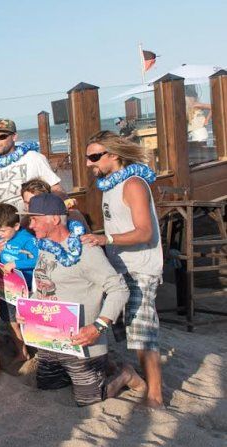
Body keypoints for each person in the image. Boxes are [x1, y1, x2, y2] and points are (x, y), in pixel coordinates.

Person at [22, 193, 144, 407]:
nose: (30, 225)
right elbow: (43, 283)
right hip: (51, 340)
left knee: (88, 399)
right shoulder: (45, 247)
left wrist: (98, 326)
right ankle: (104, 367)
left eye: (35, 219)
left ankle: (124, 374)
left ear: (54, 219)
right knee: (48, 386)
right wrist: (27, 310)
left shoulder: (86, 250)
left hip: (83, 342)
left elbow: (119, 289)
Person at [81, 131, 164, 408]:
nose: (89, 163)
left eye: (94, 157)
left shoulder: (133, 184)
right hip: (119, 266)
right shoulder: (109, 187)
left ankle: (155, 396)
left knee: (143, 334)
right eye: (87, 157)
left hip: (141, 268)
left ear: (113, 155)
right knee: (123, 330)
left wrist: (107, 239)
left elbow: (145, 232)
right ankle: (137, 381)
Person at [0, 204, 38, 361]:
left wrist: (16, 263)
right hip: (6, 288)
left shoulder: (28, 239)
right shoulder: (0, 236)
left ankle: (37, 350)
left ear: (16, 225)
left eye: (3, 230)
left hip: (25, 288)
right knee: (10, 320)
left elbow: (39, 260)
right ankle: (22, 352)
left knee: (27, 320)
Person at [0, 118, 64, 212]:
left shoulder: (33, 158)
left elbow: (55, 188)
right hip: (2, 222)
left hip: (31, 218)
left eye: (1, 137)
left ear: (14, 137)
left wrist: (64, 206)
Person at [21, 178, 89, 231]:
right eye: (26, 203)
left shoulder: (73, 216)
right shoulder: (24, 225)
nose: (29, 207)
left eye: (34, 203)